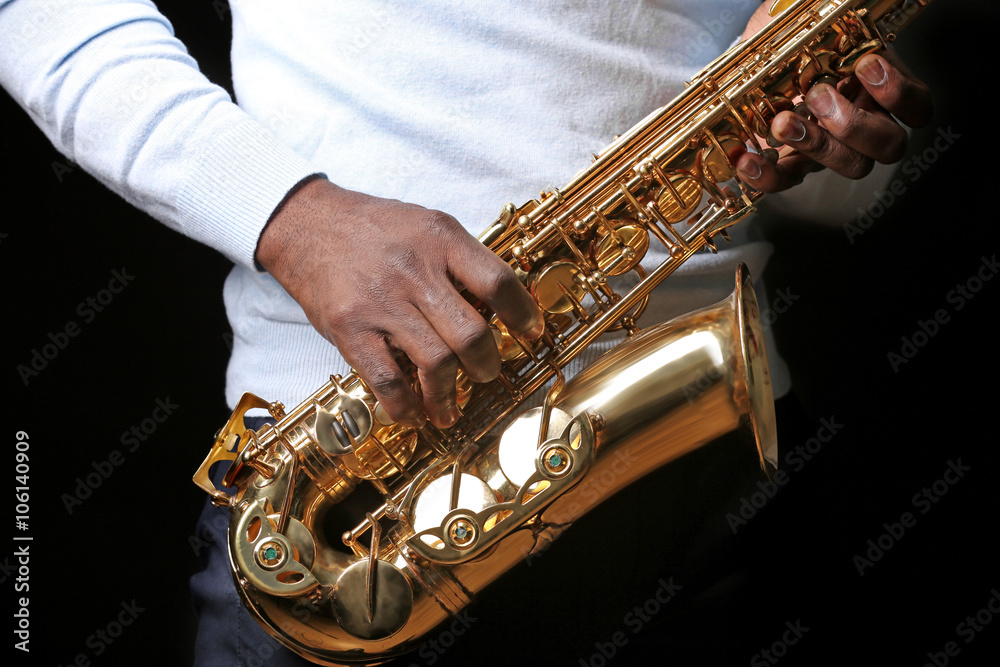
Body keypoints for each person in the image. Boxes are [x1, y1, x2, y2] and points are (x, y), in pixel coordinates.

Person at [0, 0, 932, 664]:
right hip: (350, 511)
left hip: (708, 493)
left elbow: (832, 192)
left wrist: (822, 133)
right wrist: (287, 216)